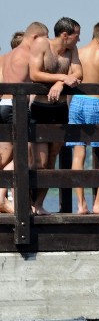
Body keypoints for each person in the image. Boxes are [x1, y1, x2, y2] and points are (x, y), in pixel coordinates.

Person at [28, 17, 83, 215]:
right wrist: (61, 77)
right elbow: (35, 74)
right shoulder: (42, 44)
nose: (79, 39)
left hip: (60, 110)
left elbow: (78, 73)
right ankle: (27, 201)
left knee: (52, 160)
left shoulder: (72, 51)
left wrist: (62, 84)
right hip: (41, 109)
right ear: (65, 35)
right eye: (77, 35)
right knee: (39, 162)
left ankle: (39, 203)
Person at [0, 23, 50, 214]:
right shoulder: (27, 55)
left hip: (3, 105)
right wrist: (61, 78)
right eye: (44, 39)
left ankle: (3, 198)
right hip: (17, 107)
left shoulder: (8, 55)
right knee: (24, 154)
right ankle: (10, 201)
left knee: (5, 157)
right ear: (36, 37)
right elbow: (38, 75)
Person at [67, 20, 99, 214]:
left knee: (78, 156)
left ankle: (81, 204)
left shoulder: (77, 52)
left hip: (76, 102)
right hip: (96, 103)